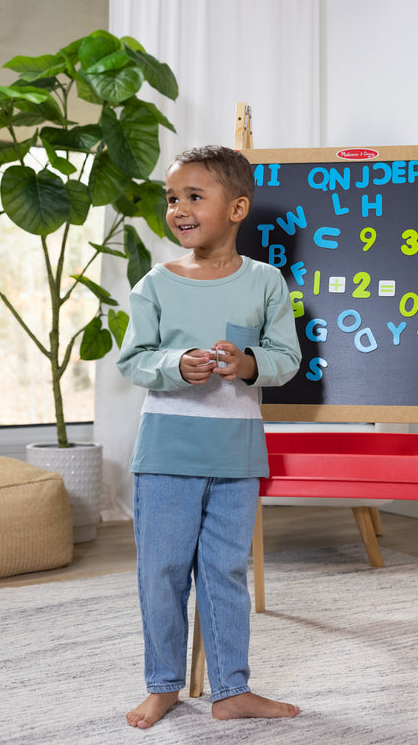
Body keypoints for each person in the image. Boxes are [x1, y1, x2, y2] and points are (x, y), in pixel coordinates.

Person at [117, 145, 302, 728]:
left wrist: (247, 363)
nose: (179, 208)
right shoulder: (156, 283)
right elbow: (134, 360)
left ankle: (231, 689)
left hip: (236, 455)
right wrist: (176, 365)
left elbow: (285, 359)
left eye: (195, 196)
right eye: (173, 198)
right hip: (167, 452)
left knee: (225, 572)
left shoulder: (266, 282)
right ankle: (165, 683)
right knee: (163, 570)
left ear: (238, 207)